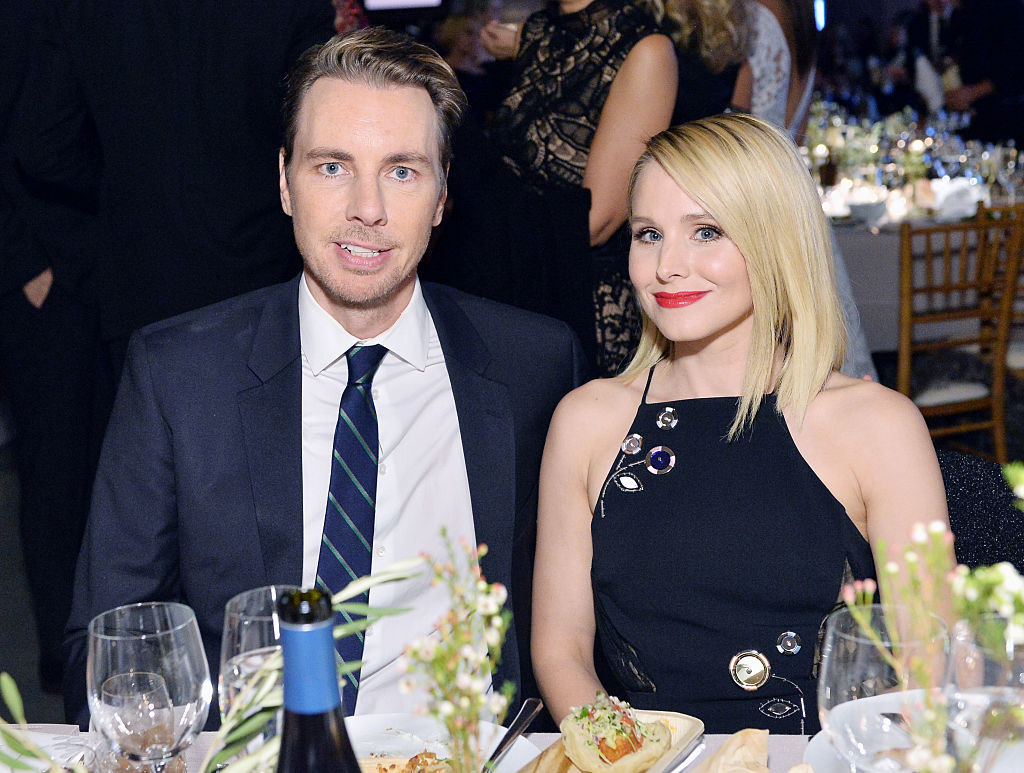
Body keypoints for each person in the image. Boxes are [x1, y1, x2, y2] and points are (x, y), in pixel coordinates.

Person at [63, 27, 587, 729]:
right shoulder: (179, 376)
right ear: (284, 182)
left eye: (402, 170)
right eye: (332, 167)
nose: (367, 209)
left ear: (441, 195)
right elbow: (105, 651)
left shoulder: (535, 367)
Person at [531, 114, 948, 735]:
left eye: (706, 231)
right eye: (648, 234)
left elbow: (929, 666)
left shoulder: (876, 426)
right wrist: (625, 755)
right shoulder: (587, 420)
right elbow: (560, 651)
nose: (668, 264)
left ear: (773, 240)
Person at [487, 0, 678, 376]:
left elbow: (595, 221)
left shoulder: (645, 47)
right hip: (515, 284)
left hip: (583, 306)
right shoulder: (539, 30)